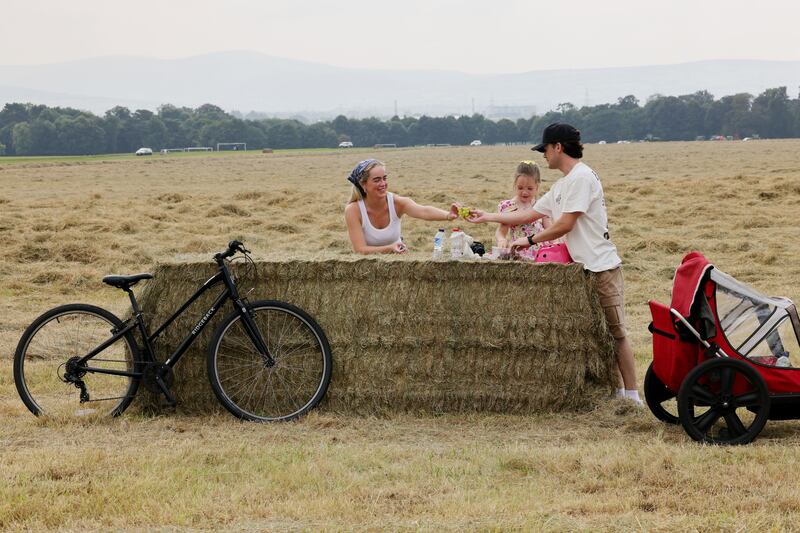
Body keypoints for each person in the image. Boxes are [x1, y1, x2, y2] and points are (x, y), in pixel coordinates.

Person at [466, 123, 640, 404]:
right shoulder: (562, 185)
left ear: (558, 147)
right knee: (598, 336)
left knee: (616, 334)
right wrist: (485, 216)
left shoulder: (582, 178)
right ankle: (614, 391)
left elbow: (564, 225)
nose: (544, 155)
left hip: (601, 267)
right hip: (580, 269)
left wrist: (529, 241)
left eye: (546, 149)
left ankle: (632, 395)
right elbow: (526, 215)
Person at [344, 159, 458, 254]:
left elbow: (424, 211)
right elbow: (359, 250)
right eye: (376, 180)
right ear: (363, 184)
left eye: (384, 178)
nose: (383, 184)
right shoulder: (353, 210)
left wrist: (448, 215)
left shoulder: (397, 202)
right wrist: (390, 248)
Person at [495, 160, 551, 259]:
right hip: (520, 252)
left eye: (529, 188)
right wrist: (501, 239)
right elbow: (501, 231)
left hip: (542, 253)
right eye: (520, 188)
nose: (524, 192)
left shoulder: (541, 205)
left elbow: (549, 229)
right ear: (514, 185)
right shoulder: (508, 207)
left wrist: (557, 242)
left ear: (537, 187)